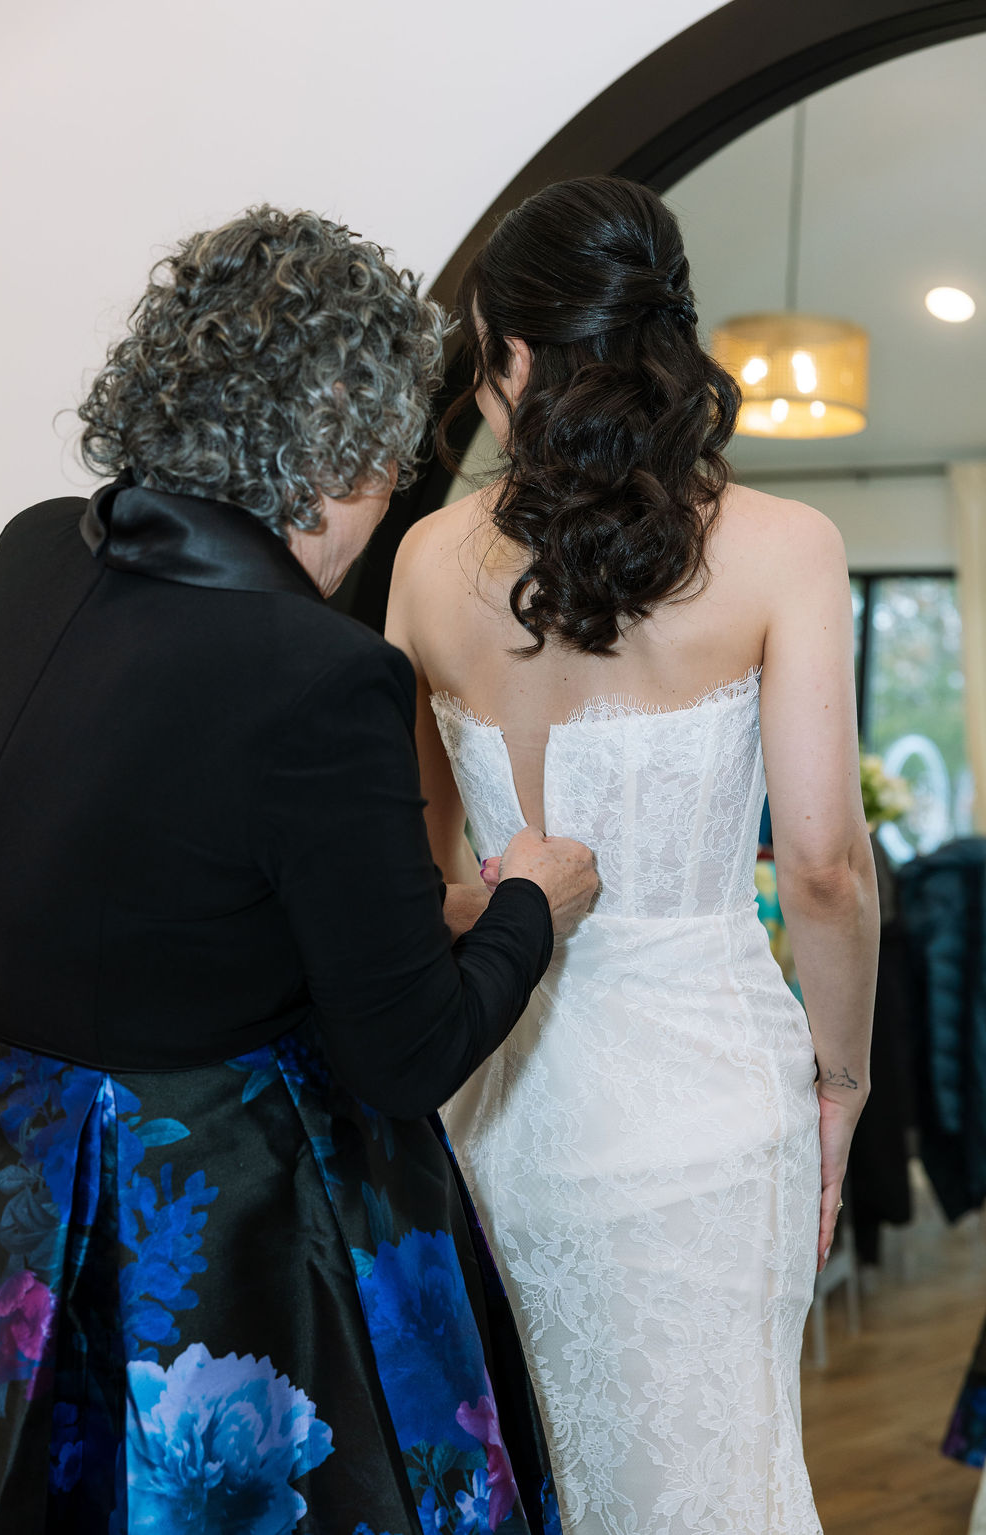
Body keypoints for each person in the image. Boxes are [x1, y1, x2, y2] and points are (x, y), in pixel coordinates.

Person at [0, 206, 598, 1534]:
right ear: (343, 454)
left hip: (6, 1179)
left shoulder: (33, 550)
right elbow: (406, 1056)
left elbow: (155, 864)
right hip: (192, 1240)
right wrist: (531, 905)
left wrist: (400, 912)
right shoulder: (321, 674)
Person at [385, 176, 879, 1535]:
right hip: (712, 1106)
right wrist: (842, 1083)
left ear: (516, 353)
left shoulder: (424, 563)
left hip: (504, 1100)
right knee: (714, 1480)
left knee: (538, 1473)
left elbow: (421, 878)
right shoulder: (784, 548)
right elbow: (824, 866)